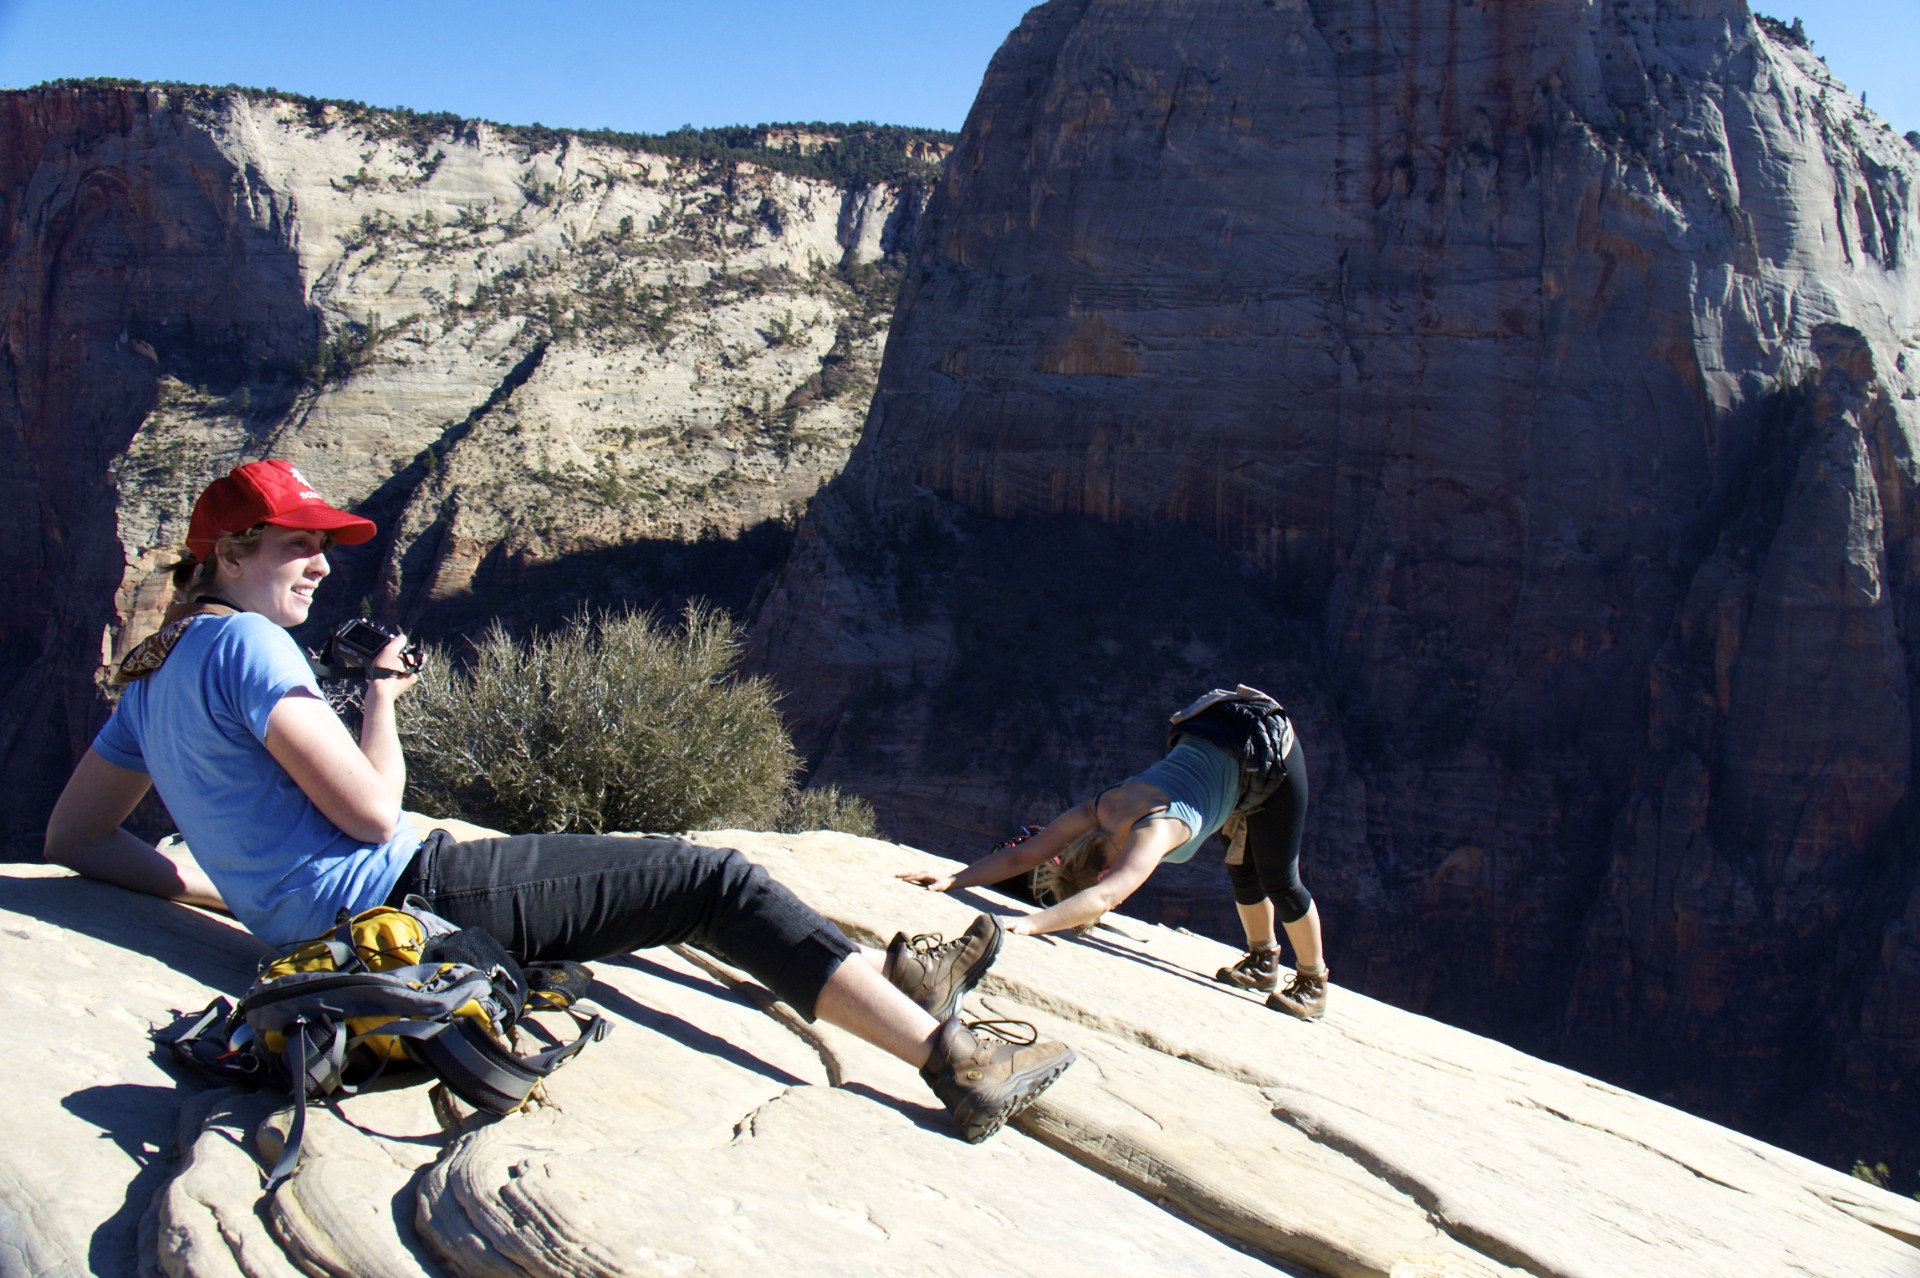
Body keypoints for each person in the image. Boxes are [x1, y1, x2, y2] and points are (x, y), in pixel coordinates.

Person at [44, 460, 1073, 1143]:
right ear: (227, 554)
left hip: (327, 930)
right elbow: (366, 813)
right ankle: (953, 1058)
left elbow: (75, 835)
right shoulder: (249, 643)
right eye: (292, 547)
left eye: (322, 546)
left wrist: (212, 882)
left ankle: (891, 986)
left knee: (633, 887)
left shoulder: (156, 668)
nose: (319, 566)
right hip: (412, 899)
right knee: (707, 879)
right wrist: (385, 707)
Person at [900, 686, 1329, 1019]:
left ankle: (1313, 982)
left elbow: (1107, 896)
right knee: (1242, 867)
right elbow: (1025, 855)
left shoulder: (1153, 830)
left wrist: (1031, 924)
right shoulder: (1098, 810)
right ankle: (1263, 959)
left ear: (1101, 872)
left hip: (1267, 749)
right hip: (1214, 733)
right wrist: (953, 880)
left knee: (1278, 877)